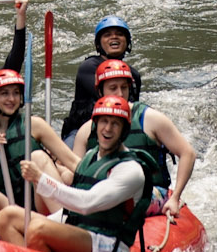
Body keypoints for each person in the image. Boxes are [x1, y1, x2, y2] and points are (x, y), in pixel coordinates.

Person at [0, 96, 156, 252]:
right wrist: (45, 220)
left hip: (107, 243)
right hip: (80, 229)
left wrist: (41, 179)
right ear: (95, 125)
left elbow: (87, 203)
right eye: (104, 121)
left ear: (124, 130)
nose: (108, 129)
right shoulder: (91, 156)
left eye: (115, 124)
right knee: (8, 217)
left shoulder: (131, 170)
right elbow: (72, 212)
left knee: (38, 230)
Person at [0, 66, 79, 234]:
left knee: (37, 157)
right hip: (10, 209)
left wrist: (100, 179)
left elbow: (72, 160)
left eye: (15, 93)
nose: (11, 99)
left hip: (39, 205)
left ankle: (66, 225)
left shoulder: (34, 124)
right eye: (5, 93)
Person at [74, 57, 198, 221]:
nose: (120, 94)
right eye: (113, 88)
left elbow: (187, 153)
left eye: (124, 88)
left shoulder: (150, 119)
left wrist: (175, 197)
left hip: (149, 192)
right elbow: (75, 174)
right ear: (100, 92)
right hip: (105, 193)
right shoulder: (86, 131)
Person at [62, 14, 143, 134]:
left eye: (120, 34)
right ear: (98, 44)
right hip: (82, 130)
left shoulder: (134, 75)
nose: (114, 37)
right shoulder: (89, 67)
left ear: (127, 42)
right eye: (107, 35)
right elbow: (111, 99)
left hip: (117, 129)